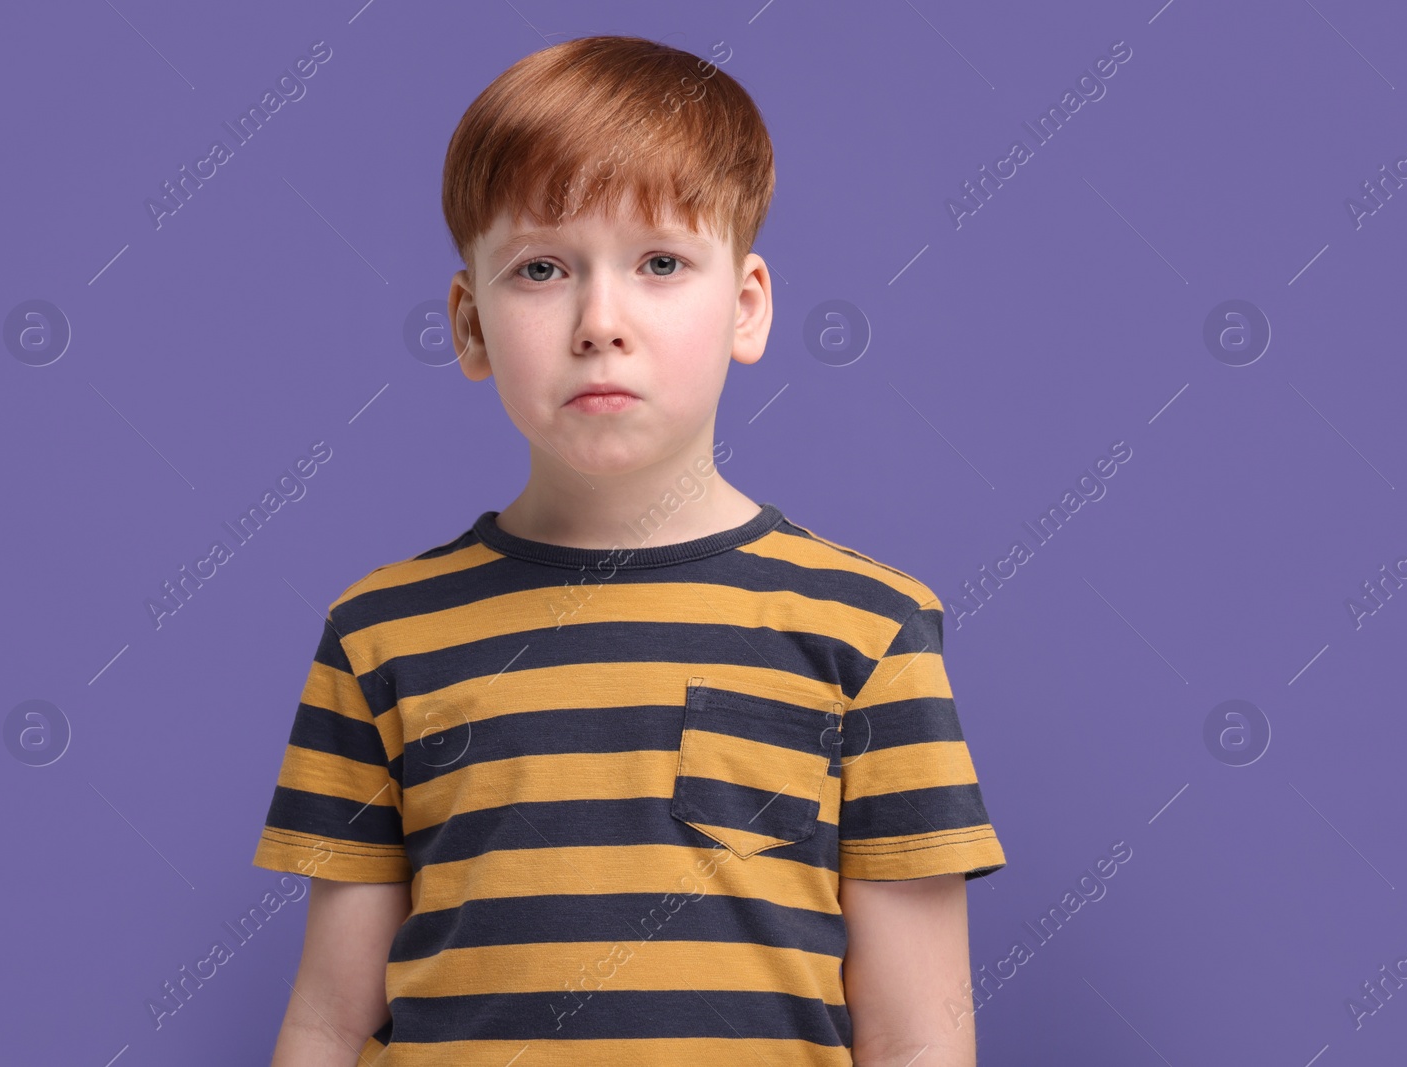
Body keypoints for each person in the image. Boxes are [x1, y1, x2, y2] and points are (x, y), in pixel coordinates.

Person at [253, 33, 1007, 1066]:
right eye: (541, 268)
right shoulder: (378, 635)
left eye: (659, 262)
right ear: (470, 325)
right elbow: (328, 1020)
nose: (599, 321)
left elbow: (921, 1037)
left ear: (744, 305)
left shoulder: (867, 630)